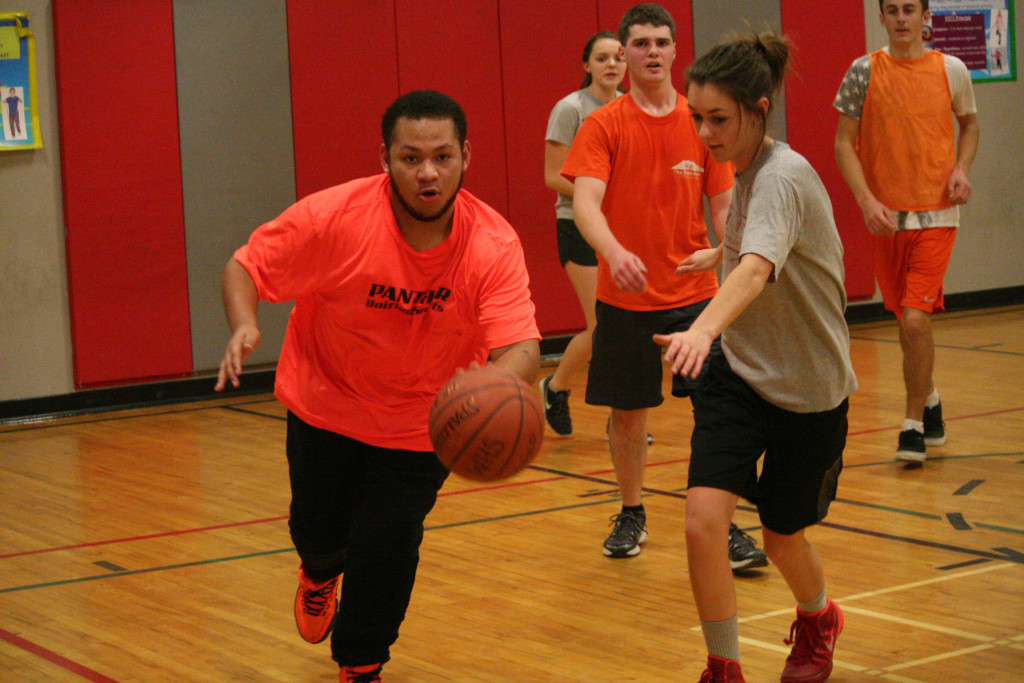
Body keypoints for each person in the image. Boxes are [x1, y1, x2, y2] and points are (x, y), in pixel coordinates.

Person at [214, 90, 540, 683]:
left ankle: (361, 663)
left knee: (388, 544)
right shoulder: (334, 218)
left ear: (466, 155)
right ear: (385, 159)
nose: (428, 172)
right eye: (410, 157)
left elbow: (520, 346)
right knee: (318, 530)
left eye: (442, 156)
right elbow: (245, 266)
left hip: (424, 419)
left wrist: (496, 389)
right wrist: (244, 323)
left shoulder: (492, 243)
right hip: (325, 400)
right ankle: (317, 572)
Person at [656, 30, 858, 682]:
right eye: (697, 118)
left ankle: (819, 615)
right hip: (740, 374)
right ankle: (724, 665)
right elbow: (746, 251)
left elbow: (756, 271)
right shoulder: (742, 173)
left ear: (759, 108)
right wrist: (717, 258)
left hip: (810, 386)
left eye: (719, 118)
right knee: (701, 524)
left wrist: (700, 330)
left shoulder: (782, 176)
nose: (705, 132)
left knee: (780, 536)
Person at [561, 3, 767, 572]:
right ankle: (631, 510)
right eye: (640, 43)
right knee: (628, 413)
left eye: (661, 42)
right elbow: (585, 202)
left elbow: (724, 205)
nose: (652, 51)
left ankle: (721, 522)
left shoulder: (700, 122)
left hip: (695, 297)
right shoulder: (603, 124)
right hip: (624, 299)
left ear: (676, 51)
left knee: (716, 410)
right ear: (622, 54)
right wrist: (613, 250)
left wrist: (728, 255)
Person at [834, 0, 979, 462]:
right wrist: (866, 201)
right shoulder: (863, 70)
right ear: (881, 17)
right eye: (892, 10)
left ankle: (912, 423)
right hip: (885, 219)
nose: (901, 18)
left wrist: (961, 167)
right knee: (906, 322)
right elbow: (842, 142)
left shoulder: (951, 69)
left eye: (909, 9)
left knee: (916, 319)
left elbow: (970, 123)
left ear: (925, 17)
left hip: (938, 215)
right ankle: (932, 400)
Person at [539, 30, 626, 438]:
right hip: (577, 225)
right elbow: (553, 175)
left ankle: (561, 390)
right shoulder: (570, 109)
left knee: (624, 326)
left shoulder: (631, 107)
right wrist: (602, 193)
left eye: (618, 57)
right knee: (603, 327)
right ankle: (560, 389)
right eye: (603, 58)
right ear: (587, 65)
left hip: (623, 228)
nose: (612, 64)